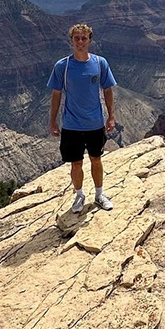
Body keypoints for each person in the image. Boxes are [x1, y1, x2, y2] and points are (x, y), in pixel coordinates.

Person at [48, 23, 117, 212]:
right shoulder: (63, 66)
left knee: (96, 159)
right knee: (76, 163)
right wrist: (52, 121)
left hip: (95, 123)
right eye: (76, 38)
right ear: (71, 41)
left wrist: (111, 117)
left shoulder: (99, 63)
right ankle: (79, 196)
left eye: (84, 38)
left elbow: (108, 90)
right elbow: (56, 94)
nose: (80, 42)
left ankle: (99, 194)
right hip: (71, 125)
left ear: (90, 40)